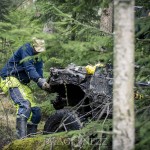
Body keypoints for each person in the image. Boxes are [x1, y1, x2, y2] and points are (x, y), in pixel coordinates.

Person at [0, 37, 50, 138]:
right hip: (9, 78)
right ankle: (21, 140)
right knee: (24, 105)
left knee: (36, 112)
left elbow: (39, 73)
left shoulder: (39, 57)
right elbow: (29, 67)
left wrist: (44, 84)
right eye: (36, 49)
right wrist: (39, 80)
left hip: (22, 83)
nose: (37, 52)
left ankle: (31, 141)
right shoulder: (26, 48)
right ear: (33, 45)